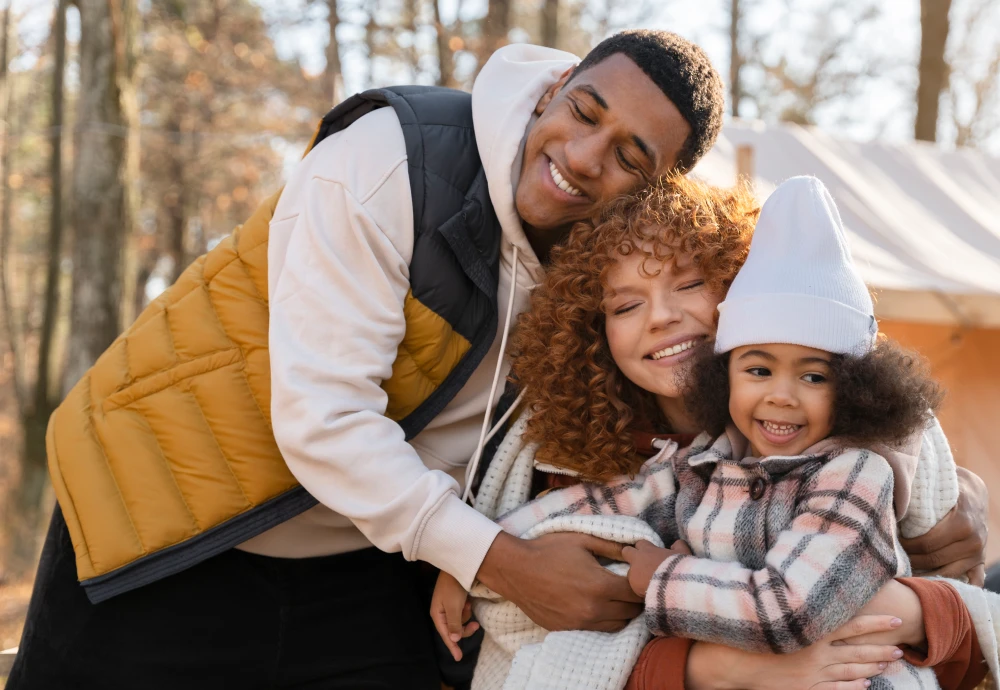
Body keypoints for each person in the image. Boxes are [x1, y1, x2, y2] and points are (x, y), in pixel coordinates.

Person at [10, 31, 728, 690]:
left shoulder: (614, 267)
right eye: (584, 111)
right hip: (168, 519)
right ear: (554, 88)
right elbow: (326, 420)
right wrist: (501, 562)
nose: (583, 155)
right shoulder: (393, 159)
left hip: (365, 561)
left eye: (629, 157)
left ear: (658, 188)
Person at [432, 177, 992, 690]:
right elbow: (609, 508)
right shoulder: (671, 461)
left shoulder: (865, 462)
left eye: (691, 283)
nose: (661, 317)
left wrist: (920, 610)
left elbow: (956, 633)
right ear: (593, 330)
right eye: (626, 305)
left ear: (735, 284)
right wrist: (483, 555)